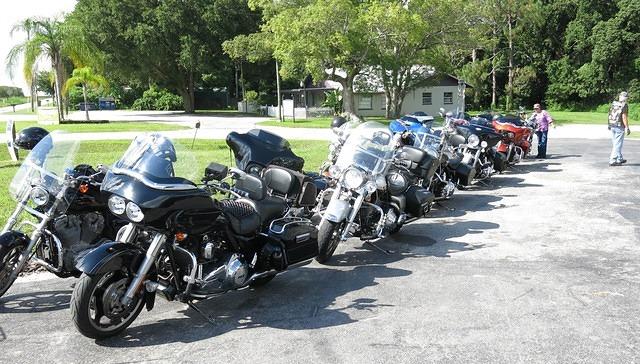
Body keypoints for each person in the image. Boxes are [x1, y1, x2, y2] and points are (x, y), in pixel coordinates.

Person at [608, 91, 631, 166]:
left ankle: (619, 158)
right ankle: (612, 160)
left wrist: (609, 124)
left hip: (612, 125)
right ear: (626, 98)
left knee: (616, 143)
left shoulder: (614, 103)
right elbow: (624, 117)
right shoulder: (624, 105)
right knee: (617, 144)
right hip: (619, 126)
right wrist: (627, 127)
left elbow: (610, 113)